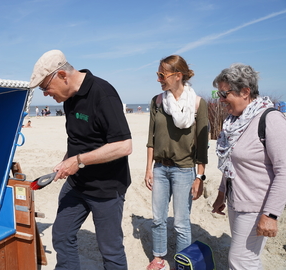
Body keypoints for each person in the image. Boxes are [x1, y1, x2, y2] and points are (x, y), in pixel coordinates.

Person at [29, 50, 132, 270]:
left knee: (110, 251)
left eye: (45, 87)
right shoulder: (67, 98)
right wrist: (66, 161)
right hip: (76, 185)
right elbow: (80, 139)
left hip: (107, 189)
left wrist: (78, 161)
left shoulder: (103, 93)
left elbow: (124, 146)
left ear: (62, 76)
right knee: (62, 236)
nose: (45, 95)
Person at [211, 63, 286, 269]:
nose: (220, 99)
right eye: (218, 93)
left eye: (224, 93)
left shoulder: (270, 119)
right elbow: (231, 162)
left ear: (245, 92)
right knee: (247, 259)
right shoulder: (234, 122)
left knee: (241, 260)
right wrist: (221, 193)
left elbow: (284, 171)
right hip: (237, 202)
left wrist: (270, 214)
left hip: (256, 206)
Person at [144, 55, 208, 270]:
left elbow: (202, 145)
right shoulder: (157, 101)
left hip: (185, 170)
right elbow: (151, 139)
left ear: (178, 75)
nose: (159, 79)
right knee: (158, 219)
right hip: (160, 168)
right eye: (158, 74)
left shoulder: (198, 103)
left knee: (181, 223)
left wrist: (200, 176)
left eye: (162, 75)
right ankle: (159, 257)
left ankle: (182, 261)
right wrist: (148, 170)